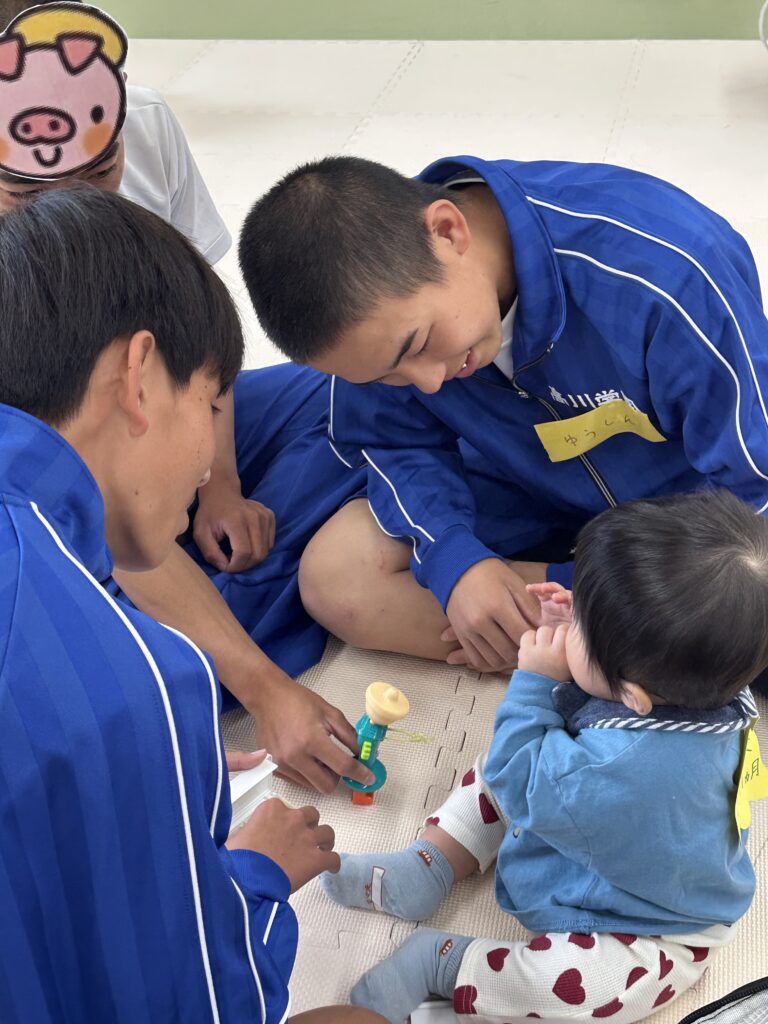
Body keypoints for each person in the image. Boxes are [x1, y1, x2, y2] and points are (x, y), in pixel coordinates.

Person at [0, 185, 387, 1024]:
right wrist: (253, 876)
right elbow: (202, 1007)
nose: (214, 460)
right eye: (212, 404)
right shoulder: (139, 681)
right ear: (139, 377)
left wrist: (143, 796)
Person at [0, 0, 374, 792]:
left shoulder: (140, 120)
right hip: (64, 492)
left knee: (354, 393)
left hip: (146, 432)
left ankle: (213, 610)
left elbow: (203, 335)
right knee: (107, 659)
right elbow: (86, 508)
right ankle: (206, 642)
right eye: (32, 193)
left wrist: (221, 482)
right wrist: (263, 686)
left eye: (101, 173)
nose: (84, 212)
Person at [239, 155, 768, 681]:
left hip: (692, 515)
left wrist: (674, 581)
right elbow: (395, 443)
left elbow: (755, 480)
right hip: (527, 481)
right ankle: (624, 650)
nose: (427, 382)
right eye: (388, 375)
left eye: (418, 345)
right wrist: (457, 561)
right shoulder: (379, 323)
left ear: (448, 231)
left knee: (744, 587)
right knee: (338, 573)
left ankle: (591, 644)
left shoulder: (665, 273)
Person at [318, 490, 766, 1023]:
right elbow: (603, 688)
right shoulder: (707, 683)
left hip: (649, 923)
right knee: (508, 762)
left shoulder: (620, 768)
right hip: (598, 818)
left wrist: (533, 681)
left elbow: (522, 776)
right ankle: (428, 864)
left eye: (582, 627)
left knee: (593, 986)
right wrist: (573, 622)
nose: (569, 622)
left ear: (632, 695)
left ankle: (442, 963)